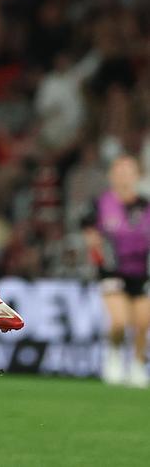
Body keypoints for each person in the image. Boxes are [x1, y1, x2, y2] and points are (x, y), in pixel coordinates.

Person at [82, 155, 150, 388]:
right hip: (112, 270)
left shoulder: (145, 206)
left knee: (142, 323)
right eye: (119, 171)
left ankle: (138, 365)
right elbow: (90, 235)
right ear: (111, 176)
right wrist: (101, 259)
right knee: (120, 321)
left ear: (137, 176)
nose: (123, 177)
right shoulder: (101, 204)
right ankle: (113, 355)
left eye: (128, 172)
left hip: (141, 270)